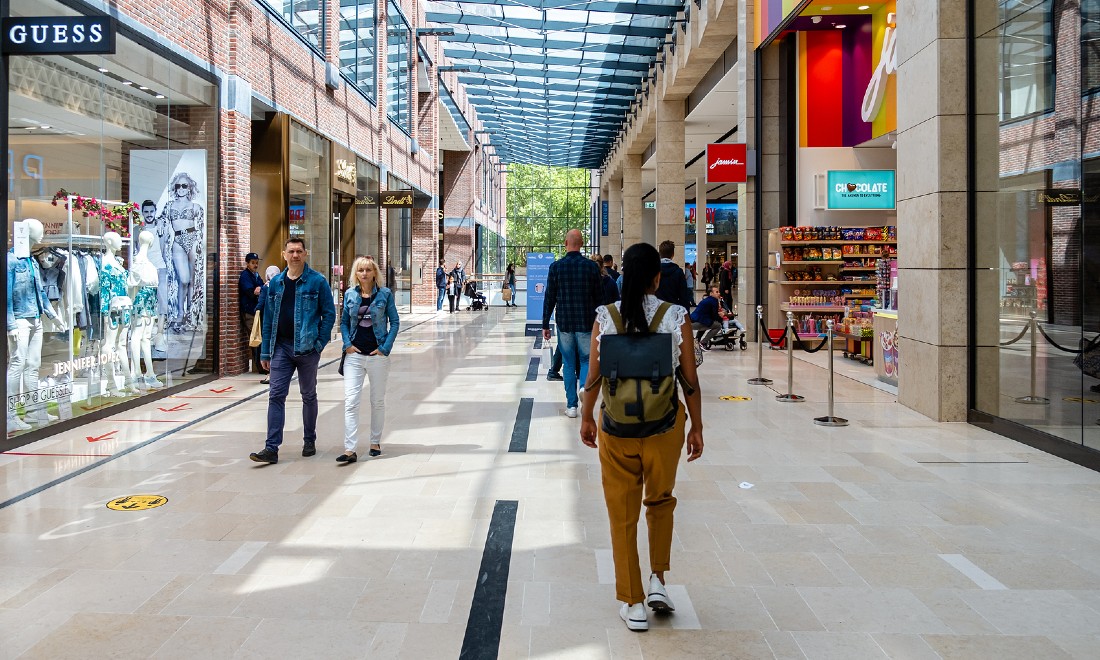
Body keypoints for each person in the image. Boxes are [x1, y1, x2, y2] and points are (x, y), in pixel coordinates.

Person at [579, 241, 704, 633]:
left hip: (617, 431)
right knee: (661, 501)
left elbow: (594, 378)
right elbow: (690, 381)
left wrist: (586, 417)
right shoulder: (676, 315)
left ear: (623, 277)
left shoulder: (607, 316)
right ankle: (658, 582)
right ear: (656, 277)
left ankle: (633, 603)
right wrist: (696, 427)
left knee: (622, 514)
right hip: (664, 427)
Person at [249, 238, 336, 465]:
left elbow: (329, 314)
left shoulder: (317, 282)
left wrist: (319, 344)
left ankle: (309, 439)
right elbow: (268, 320)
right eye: (291, 251)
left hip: (308, 349)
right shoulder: (275, 284)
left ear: (305, 254)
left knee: (308, 395)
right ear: (284, 254)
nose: (295, 255)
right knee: (276, 395)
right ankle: (271, 448)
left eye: (299, 251)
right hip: (281, 348)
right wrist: (266, 353)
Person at [339, 255, 399, 463]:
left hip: (377, 356)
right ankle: (349, 449)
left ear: (375, 273)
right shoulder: (349, 295)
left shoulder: (385, 294)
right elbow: (344, 322)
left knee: (377, 401)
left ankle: (375, 441)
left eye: (368, 270)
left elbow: (395, 322)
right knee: (351, 402)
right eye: (360, 270)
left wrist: (384, 348)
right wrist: (347, 345)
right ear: (356, 274)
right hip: (355, 356)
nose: (364, 273)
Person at [542, 229, 601, 418]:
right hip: (586, 323)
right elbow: (600, 298)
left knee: (568, 363)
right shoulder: (591, 267)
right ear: (582, 244)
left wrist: (545, 324)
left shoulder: (556, 267)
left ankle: (572, 406)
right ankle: (584, 387)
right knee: (585, 360)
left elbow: (549, 297)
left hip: (565, 323)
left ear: (566, 244)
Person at [159, 172, 204, 330]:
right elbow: (162, 226)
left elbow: (202, 229)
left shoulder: (196, 207)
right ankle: (180, 312)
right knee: (183, 279)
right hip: (178, 240)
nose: (181, 189)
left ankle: (189, 314)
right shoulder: (169, 206)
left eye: (184, 185)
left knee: (193, 280)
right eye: (178, 186)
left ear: (189, 187)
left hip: (193, 239)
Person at [254, 265, 280, 384]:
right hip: (280, 322)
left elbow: (261, 304)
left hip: (267, 321)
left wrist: (256, 311)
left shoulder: (265, 288)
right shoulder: (281, 286)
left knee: (269, 345)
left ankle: (270, 374)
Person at [239, 252, 265, 374]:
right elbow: (251, 292)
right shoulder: (245, 276)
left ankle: (262, 365)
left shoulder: (256, 275)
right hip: (249, 312)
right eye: (253, 263)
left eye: (256, 263)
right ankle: (259, 367)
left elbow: (263, 288)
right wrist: (259, 290)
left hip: (257, 311)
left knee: (260, 338)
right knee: (255, 339)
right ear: (247, 263)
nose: (255, 265)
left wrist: (261, 290)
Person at [654, 240, 692, 311]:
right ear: (673, 254)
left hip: (656, 311)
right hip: (673, 310)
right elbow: (683, 296)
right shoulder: (678, 272)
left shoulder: (653, 271)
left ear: (659, 254)